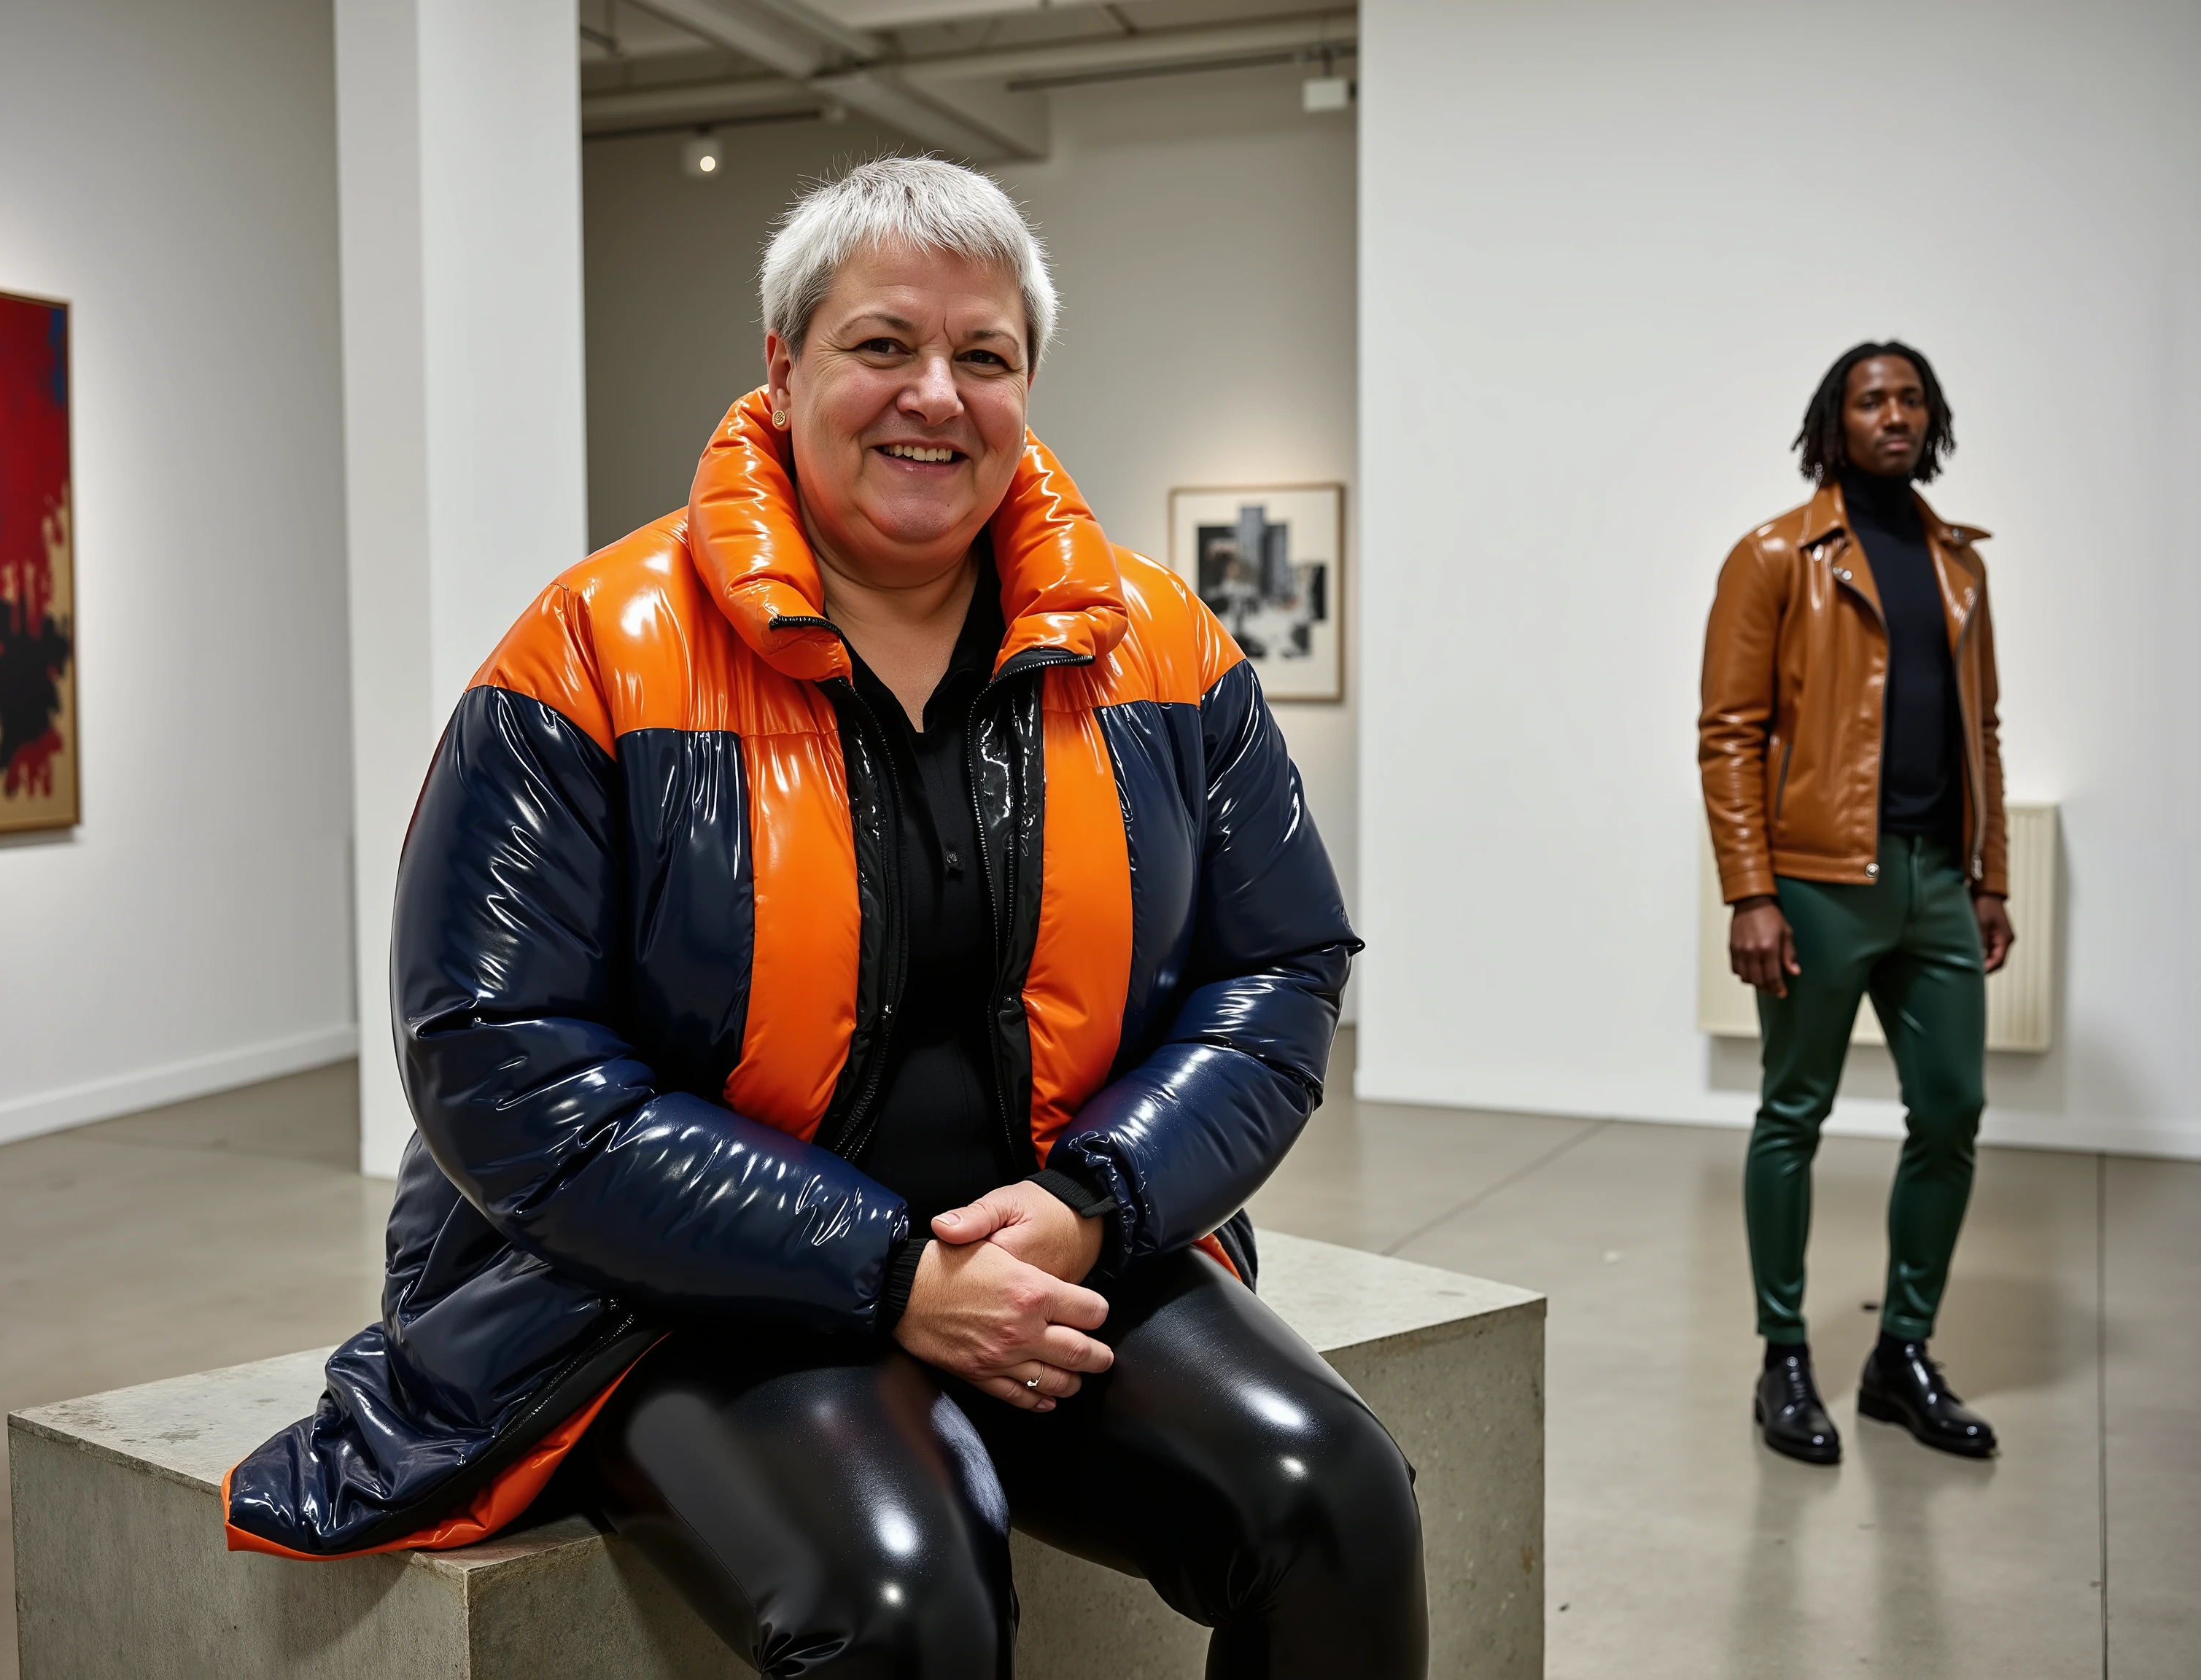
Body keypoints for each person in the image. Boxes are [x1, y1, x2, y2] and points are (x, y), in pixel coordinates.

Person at [225, 157, 1424, 1677]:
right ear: (785, 368)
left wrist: (1093, 1208)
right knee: (906, 1607)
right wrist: (893, 1277)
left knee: (1341, 1502)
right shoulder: (592, 651)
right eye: (882, 346)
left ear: (1027, 383)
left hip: (1058, 1244)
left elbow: (1280, 970)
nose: (936, 393)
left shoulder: (1162, 649)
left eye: (982, 356)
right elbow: (499, 1061)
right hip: (678, 1292)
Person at [1700, 341, 2012, 1466]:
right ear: (1834, 422)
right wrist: (1751, 892)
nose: (1896, 414)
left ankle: (1902, 1355)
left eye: (1911, 397)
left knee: (1952, 1114)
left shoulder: (1962, 566)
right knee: (1795, 1115)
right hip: (1819, 884)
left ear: (1934, 417)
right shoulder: (1776, 555)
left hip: (1937, 879)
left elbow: (1983, 734)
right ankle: (1783, 1356)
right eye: (1872, 399)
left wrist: (1992, 877)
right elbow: (1728, 736)